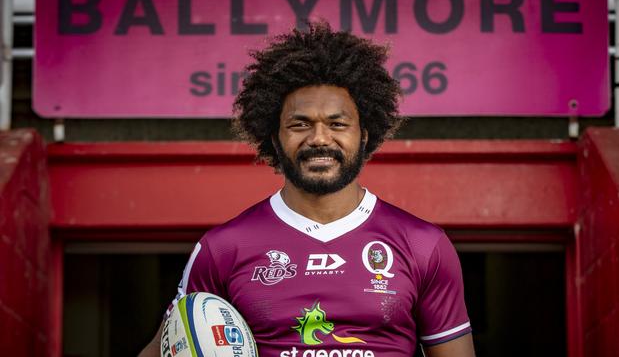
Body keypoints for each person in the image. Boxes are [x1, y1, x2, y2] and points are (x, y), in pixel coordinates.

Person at [139, 22, 474, 357]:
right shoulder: (223, 249)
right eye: (300, 124)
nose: (319, 138)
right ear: (274, 138)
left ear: (365, 136)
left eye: (337, 123)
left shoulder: (423, 245)